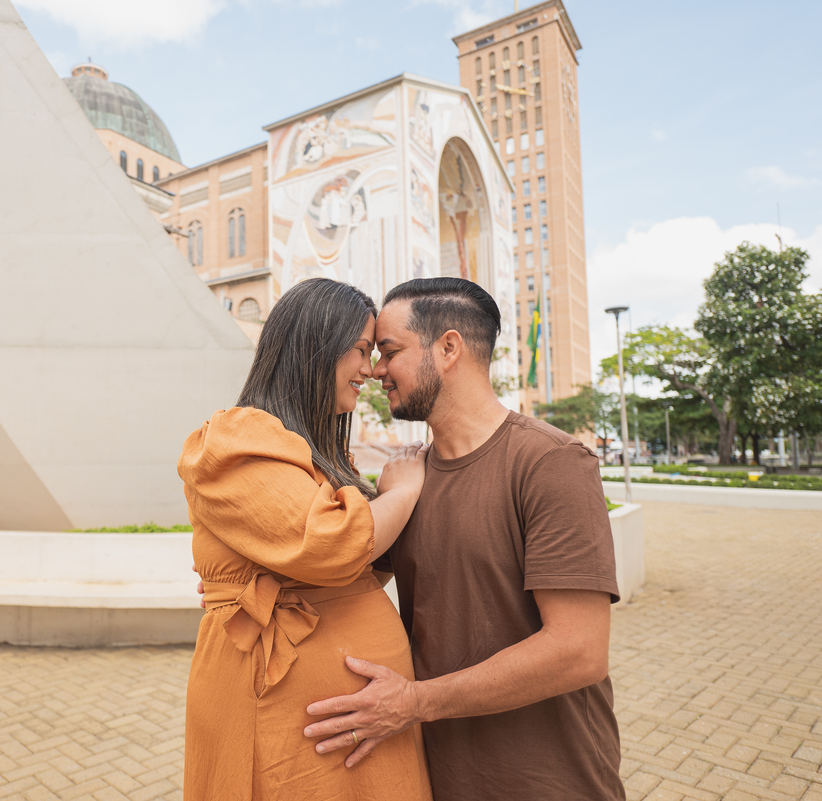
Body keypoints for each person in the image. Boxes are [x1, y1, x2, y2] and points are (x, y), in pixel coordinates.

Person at [302, 277, 625, 801]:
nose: (376, 370)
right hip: (437, 778)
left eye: (390, 352)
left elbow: (579, 650)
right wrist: (253, 582)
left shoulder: (550, 463)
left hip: (548, 782)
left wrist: (413, 702)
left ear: (448, 348)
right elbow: (347, 585)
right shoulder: (407, 481)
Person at [177, 278, 433, 801]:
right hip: (279, 714)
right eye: (361, 350)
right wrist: (402, 492)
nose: (370, 369)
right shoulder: (237, 438)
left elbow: (361, 558)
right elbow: (332, 547)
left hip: (354, 726)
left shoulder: (313, 451)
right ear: (316, 345)